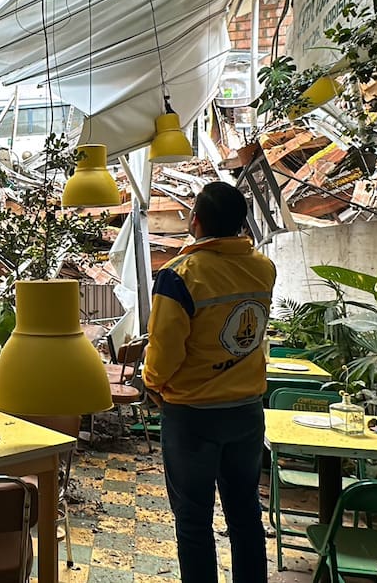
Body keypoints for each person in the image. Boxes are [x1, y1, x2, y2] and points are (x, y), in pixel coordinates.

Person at [143, 181, 276, 583]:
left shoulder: (179, 276)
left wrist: (152, 383)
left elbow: (164, 350)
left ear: (195, 220)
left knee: (194, 520)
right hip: (247, 412)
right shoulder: (263, 267)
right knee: (246, 513)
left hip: (193, 415)